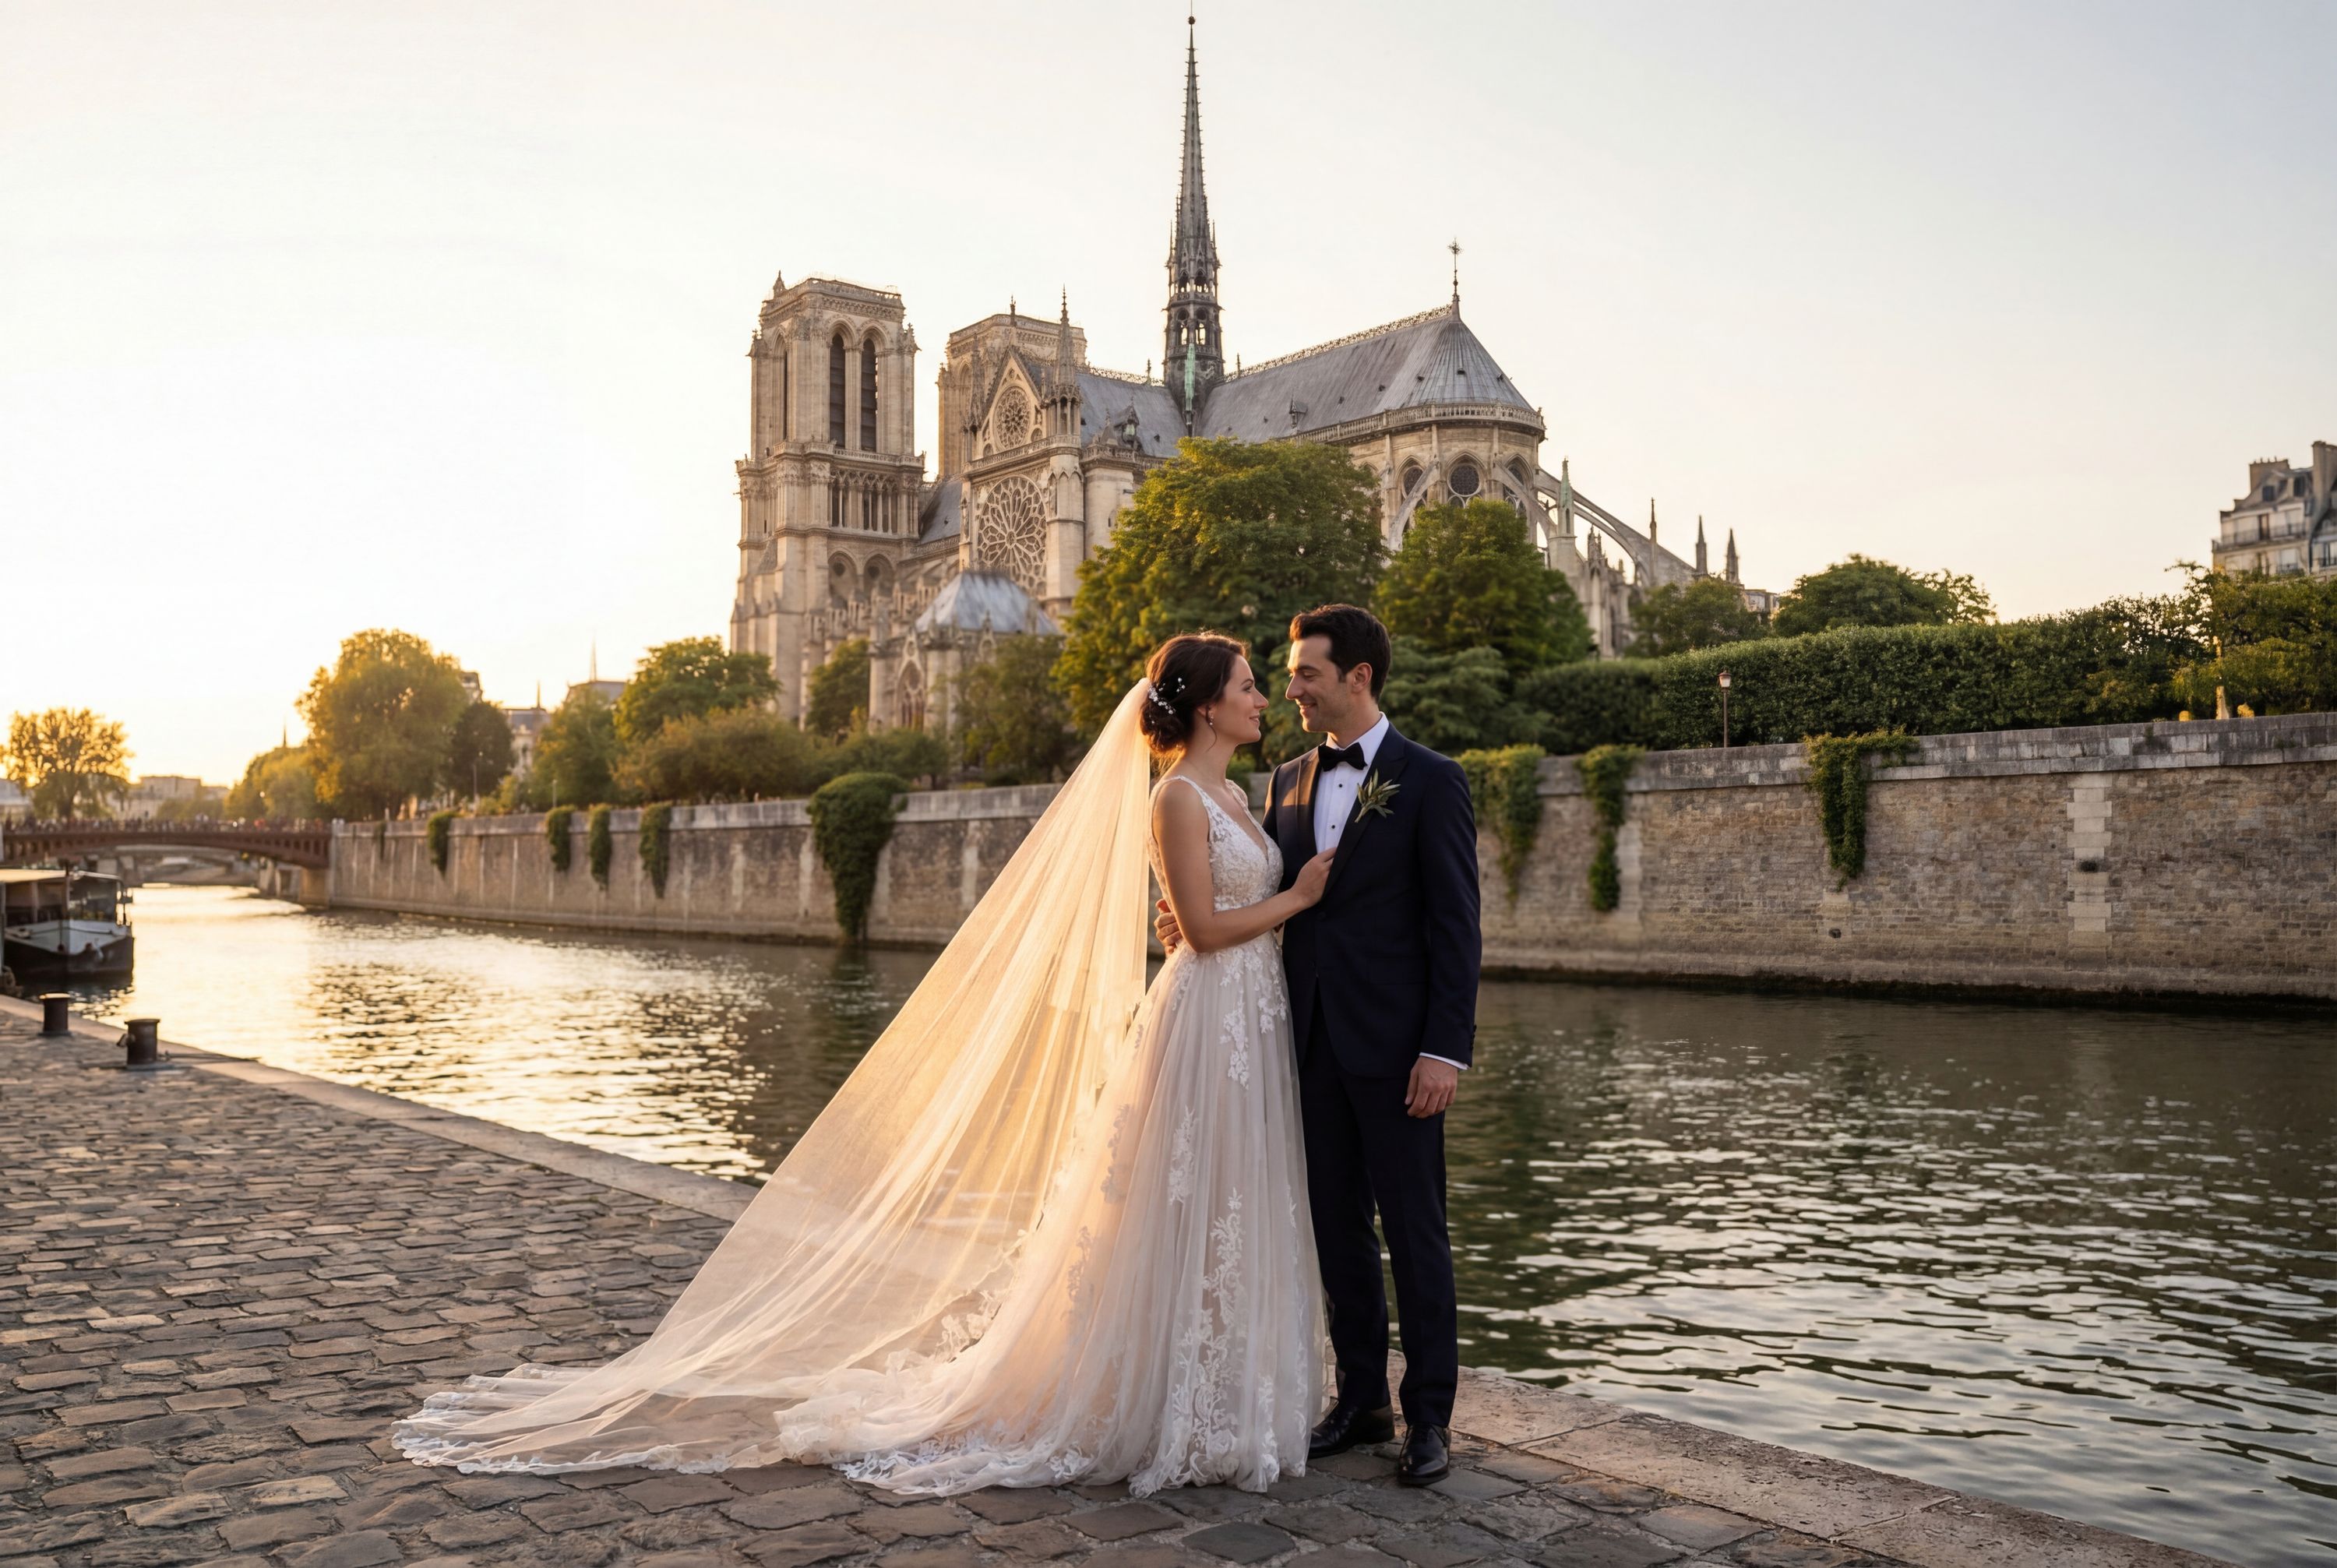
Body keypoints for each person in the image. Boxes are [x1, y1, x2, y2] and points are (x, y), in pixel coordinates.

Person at [393, 635, 1337, 1496]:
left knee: (1225, 1201)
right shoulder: (1174, 797)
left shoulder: (1239, 796)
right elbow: (1201, 929)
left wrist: (1268, 907)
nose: (1263, 698)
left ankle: (1216, 1390)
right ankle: (1167, 1400)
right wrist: (1296, 898)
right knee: (1185, 1201)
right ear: (1206, 706)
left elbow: (1203, 917)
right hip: (1207, 1015)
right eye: (1249, 686)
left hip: (1247, 1016)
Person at [1158, 604, 1480, 1486]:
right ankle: (1361, 1399)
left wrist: (1444, 1051)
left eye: (1305, 673)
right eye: (1287, 675)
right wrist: (1185, 922)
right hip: (1299, 1045)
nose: (1290, 687)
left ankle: (1430, 1417)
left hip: (1401, 1052)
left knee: (1415, 1232)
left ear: (1356, 678)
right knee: (1336, 1231)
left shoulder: (1432, 779)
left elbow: (1456, 929)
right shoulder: (1284, 781)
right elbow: (1258, 897)